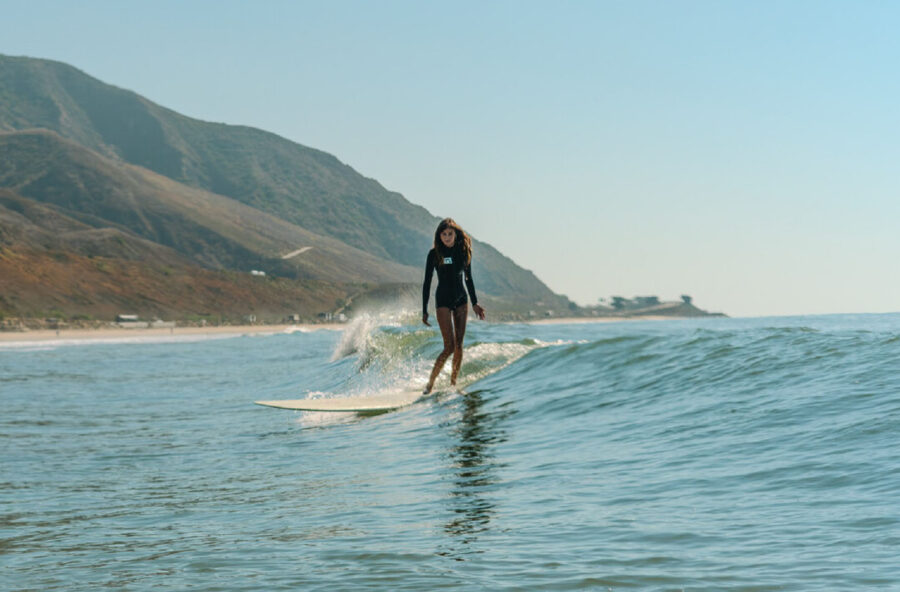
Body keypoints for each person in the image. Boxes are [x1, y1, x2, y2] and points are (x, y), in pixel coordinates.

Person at [422, 218, 486, 394]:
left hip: (461, 300)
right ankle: (430, 383)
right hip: (442, 300)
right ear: (439, 235)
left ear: (456, 234)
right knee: (448, 346)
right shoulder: (434, 254)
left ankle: (453, 383)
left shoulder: (463, 252)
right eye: (444, 234)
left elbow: (469, 279)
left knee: (459, 345)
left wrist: (475, 303)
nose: (447, 237)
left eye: (450, 234)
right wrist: (424, 310)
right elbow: (427, 283)